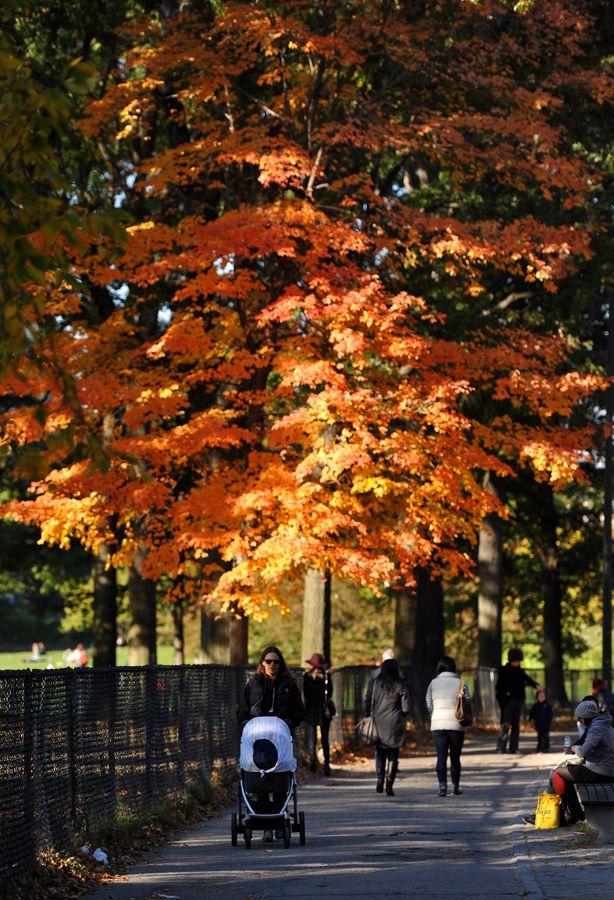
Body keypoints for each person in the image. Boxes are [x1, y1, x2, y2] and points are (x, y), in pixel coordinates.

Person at [237, 646, 304, 843]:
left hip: (281, 736)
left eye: (276, 662)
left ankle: (279, 819)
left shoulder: (289, 685)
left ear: (280, 664)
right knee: (260, 778)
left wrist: (290, 722)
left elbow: (299, 710)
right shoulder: (253, 683)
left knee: (280, 776)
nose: (272, 665)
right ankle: (265, 822)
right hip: (257, 736)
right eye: (268, 661)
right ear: (262, 663)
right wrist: (244, 724)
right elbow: (243, 708)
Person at [549, 699, 614, 826]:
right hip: (606, 767)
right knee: (567, 770)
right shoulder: (605, 724)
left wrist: (575, 748)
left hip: (600, 771)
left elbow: (583, 752)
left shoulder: (596, 729)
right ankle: (574, 813)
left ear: (587, 717)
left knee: (557, 773)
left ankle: (572, 814)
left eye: (580, 718)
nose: (579, 721)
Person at [426, 656, 471, 797]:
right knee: (455, 757)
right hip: (457, 724)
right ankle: (456, 787)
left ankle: (442, 786)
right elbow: (468, 702)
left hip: (438, 725)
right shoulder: (461, 683)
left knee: (441, 757)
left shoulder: (432, 683)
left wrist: (435, 716)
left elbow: (428, 703)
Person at [365, 657, 410, 796]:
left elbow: (367, 701)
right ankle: (389, 783)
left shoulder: (376, 684)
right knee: (393, 754)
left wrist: (368, 714)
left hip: (379, 723)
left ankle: (380, 777)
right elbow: (406, 707)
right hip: (395, 723)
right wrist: (401, 713)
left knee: (380, 752)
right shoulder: (400, 685)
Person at [495, 648, 539, 754]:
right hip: (507, 701)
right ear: (511, 660)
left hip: (518, 699)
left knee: (515, 724)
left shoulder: (519, 670)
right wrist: (506, 693)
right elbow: (499, 687)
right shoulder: (504, 670)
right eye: (515, 661)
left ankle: (514, 747)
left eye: (518, 661)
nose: (517, 663)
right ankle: (501, 746)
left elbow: (527, 679)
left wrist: (536, 685)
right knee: (506, 723)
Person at [303, 652, 334, 776]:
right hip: (323, 710)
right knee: (325, 739)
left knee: (312, 739)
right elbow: (329, 693)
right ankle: (326, 764)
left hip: (311, 710)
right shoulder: (326, 677)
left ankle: (313, 763)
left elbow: (306, 694)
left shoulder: (307, 677)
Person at [528, 687, 553, 752]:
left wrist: (549, 721)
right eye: (540, 696)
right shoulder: (536, 706)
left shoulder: (547, 705)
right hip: (538, 723)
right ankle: (539, 746)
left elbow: (550, 714)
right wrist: (530, 719)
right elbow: (532, 713)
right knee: (539, 735)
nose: (542, 698)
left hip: (546, 723)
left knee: (545, 735)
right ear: (537, 697)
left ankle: (545, 747)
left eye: (543, 696)